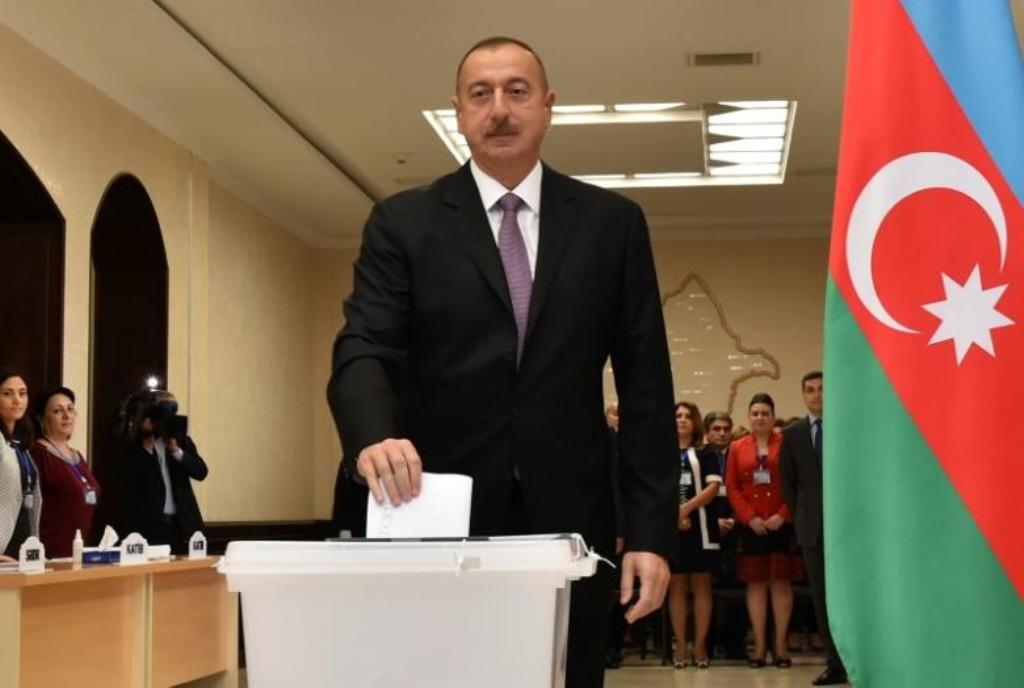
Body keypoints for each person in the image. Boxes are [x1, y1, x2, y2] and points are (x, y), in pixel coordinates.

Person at [326, 36, 678, 687]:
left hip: (573, 524)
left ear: (547, 107)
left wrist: (652, 533)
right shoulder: (404, 223)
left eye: (517, 91)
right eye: (480, 95)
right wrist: (372, 435)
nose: (500, 110)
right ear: (457, 112)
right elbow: (363, 347)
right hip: (434, 515)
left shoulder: (612, 224)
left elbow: (647, 385)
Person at [781, 371, 848, 686]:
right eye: (810, 390)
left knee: (850, 595)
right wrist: (800, 522)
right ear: (803, 395)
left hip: (848, 526)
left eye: (822, 389)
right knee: (822, 599)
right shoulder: (792, 434)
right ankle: (835, 664)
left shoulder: (847, 427)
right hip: (813, 531)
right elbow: (788, 484)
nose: (817, 395)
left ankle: (859, 658)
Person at [726, 393, 803, 668]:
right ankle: (759, 646)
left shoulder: (788, 443)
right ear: (749, 417)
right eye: (755, 413)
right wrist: (750, 518)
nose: (760, 417)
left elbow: (797, 483)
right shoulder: (737, 447)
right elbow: (732, 487)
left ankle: (781, 646)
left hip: (782, 524)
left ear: (773, 416)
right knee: (756, 585)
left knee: (781, 584)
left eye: (765, 413)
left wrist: (783, 515)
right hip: (752, 527)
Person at [120, 389, 208, 553]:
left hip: (182, 526)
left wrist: (176, 451)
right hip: (151, 528)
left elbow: (201, 471)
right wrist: (146, 449)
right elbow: (130, 481)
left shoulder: (180, 440)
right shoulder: (134, 446)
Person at [668, 402, 721, 669]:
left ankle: (699, 643)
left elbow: (713, 487)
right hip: (671, 528)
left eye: (688, 416)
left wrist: (686, 508)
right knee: (676, 586)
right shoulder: (661, 450)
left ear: (696, 421)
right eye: (678, 415)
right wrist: (673, 514)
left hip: (701, 527)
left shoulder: (707, 451)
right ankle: (680, 644)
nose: (683, 420)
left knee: (701, 586)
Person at [30, 386, 101, 557]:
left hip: (79, 549)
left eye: (70, 409)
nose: (67, 416)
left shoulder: (78, 456)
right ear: (41, 418)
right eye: (57, 411)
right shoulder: (37, 453)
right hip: (50, 551)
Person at [0, 367, 41, 559]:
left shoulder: (18, 443)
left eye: (22, 393)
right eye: (8, 394)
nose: (17, 400)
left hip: (24, 544)